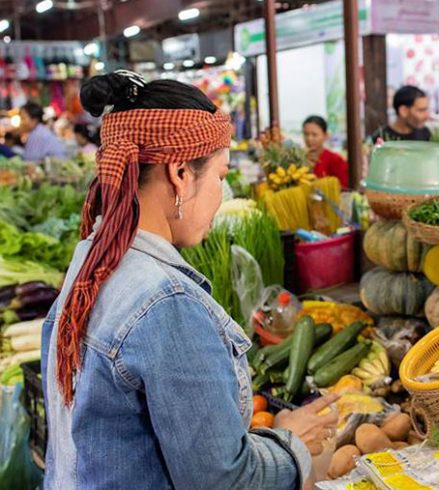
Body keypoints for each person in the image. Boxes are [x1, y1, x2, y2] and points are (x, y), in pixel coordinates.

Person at [41, 71, 338, 489]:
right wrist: (291, 443)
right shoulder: (166, 304)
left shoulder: (91, 257)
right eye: (221, 175)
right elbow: (224, 483)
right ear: (180, 173)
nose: (224, 190)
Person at [303, 115, 349, 188]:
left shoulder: (335, 160)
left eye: (314, 135)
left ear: (325, 135)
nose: (309, 139)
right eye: (306, 134)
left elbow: (344, 186)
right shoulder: (299, 160)